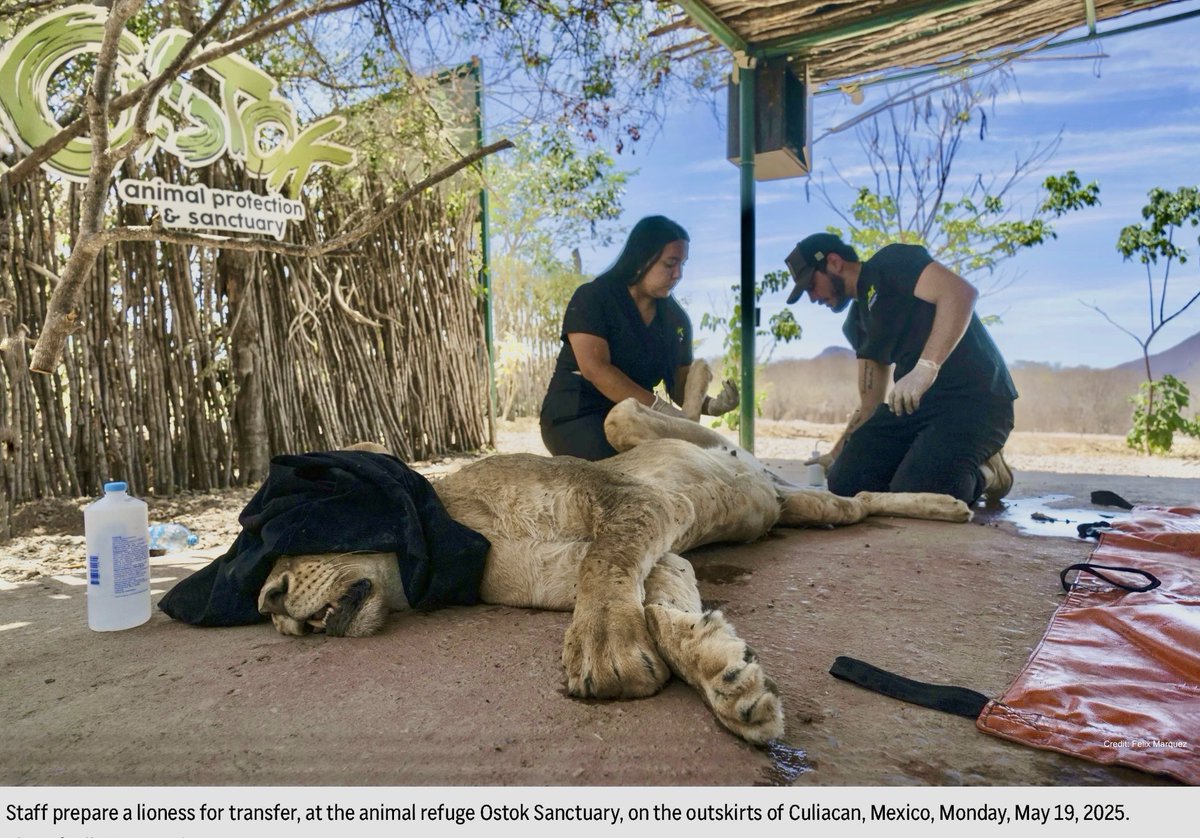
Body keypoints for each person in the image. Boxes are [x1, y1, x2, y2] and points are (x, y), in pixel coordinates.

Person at [782, 232, 1015, 505]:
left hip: (974, 400)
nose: (812, 298)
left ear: (834, 262)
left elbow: (960, 293)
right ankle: (919, 465)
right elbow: (870, 404)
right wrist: (835, 455)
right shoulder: (857, 322)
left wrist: (926, 367)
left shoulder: (890, 263)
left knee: (924, 490)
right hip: (915, 408)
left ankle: (990, 473)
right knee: (845, 482)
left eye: (811, 285)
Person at [540, 215, 738, 460]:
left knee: (693, 461)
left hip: (638, 419)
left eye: (683, 264)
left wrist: (709, 405)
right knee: (632, 467)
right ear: (642, 258)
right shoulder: (593, 298)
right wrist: (658, 409)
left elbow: (679, 385)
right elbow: (595, 369)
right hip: (577, 415)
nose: (678, 274)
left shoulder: (675, 320)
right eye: (670, 264)